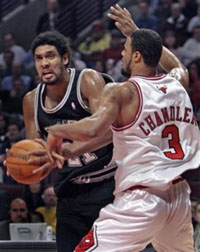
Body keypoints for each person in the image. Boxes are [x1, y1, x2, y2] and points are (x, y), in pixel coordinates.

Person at [45, 4, 200, 251]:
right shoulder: (178, 83)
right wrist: (136, 33)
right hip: (179, 197)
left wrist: (56, 130)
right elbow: (176, 64)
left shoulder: (124, 91)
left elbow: (94, 127)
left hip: (142, 199)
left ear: (136, 56)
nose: (121, 54)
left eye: (126, 49)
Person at [19, 30, 116, 251]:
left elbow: (108, 132)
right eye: (39, 58)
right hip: (69, 191)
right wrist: (22, 162)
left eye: (50, 56)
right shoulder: (31, 100)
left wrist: (67, 149)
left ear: (64, 58)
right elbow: (36, 151)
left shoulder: (87, 80)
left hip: (107, 187)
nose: (44, 63)